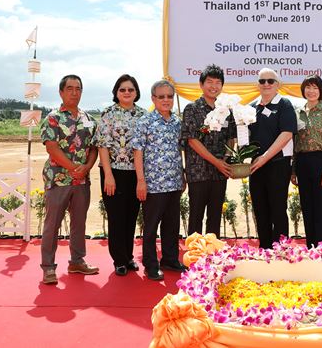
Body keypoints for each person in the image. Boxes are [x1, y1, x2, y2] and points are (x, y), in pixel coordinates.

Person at [39, 74, 99, 285]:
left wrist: (87, 167)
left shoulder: (89, 120)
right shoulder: (53, 118)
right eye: (70, 88)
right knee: (52, 224)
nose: (75, 92)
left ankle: (77, 261)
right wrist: (75, 168)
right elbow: (52, 148)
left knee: (79, 224)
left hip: (82, 181)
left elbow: (94, 149)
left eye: (78, 89)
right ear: (61, 92)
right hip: (58, 180)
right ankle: (48, 267)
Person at [132, 80, 185, 281]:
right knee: (151, 226)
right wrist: (141, 181)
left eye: (169, 96)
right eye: (161, 96)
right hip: (153, 184)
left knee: (171, 225)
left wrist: (182, 175)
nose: (165, 100)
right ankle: (151, 264)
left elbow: (179, 151)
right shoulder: (145, 122)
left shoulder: (177, 122)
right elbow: (138, 152)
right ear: (153, 99)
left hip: (174, 183)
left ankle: (170, 259)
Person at [94, 74, 146, 276]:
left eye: (130, 90)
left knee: (131, 216)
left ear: (136, 93)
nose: (126, 93)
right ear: (116, 92)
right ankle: (119, 260)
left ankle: (129, 256)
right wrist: (108, 174)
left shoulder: (142, 115)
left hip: (136, 173)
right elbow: (103, 145)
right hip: (113, 172)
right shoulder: (108, 114)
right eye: (122, 89)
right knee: (116, 217)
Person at [181, 64, 233, 236]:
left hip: (220, 172)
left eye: (218, 82)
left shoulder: (226, 110)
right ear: (201, 84)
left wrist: (225, 159)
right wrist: (216, 162)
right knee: (196, 216)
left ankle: (213, 258)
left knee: (215, 216)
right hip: (198, 171)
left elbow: (230, 138)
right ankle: (195, 258)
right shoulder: (192, 109)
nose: (214, 86)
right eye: (209, 82)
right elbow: (192, 140)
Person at [248, 68, 297, 249]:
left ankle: (281, 250)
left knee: (277, 209)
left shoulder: (284, 104)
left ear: (278, 85)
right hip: (256, 166)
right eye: (262, 81)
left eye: (270, 81)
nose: (266, 84)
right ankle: (265, 249)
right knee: (260, 210)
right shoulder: (251, 108)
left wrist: (265, 157)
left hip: (278, 164)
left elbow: (286, 134)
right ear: (258, 85)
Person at [293, 75, 322, 247]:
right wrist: (294, 171)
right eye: (308, 87)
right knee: (307, 206)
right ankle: (310, 246)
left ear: (321, 91)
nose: (311, 91)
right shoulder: (297, 112)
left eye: (315, 88)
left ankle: (321, 247)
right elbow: (294, 143)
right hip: (302, 162)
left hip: (321, 161)